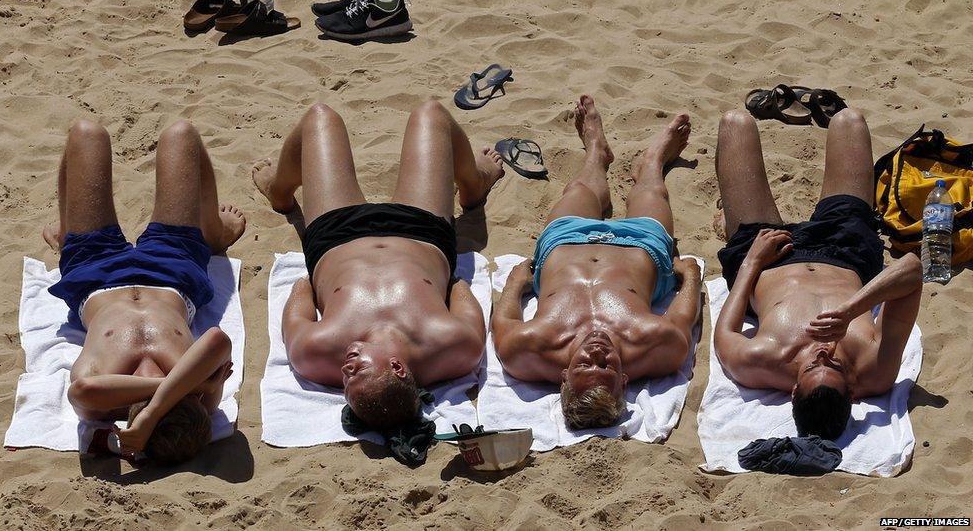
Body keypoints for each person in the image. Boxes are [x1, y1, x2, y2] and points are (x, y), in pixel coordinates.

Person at [252, 100, 503, 431]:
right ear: (398, 368)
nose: (345, 370)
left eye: (344, 383)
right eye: (358, 372)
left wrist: (333, 285)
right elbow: (460, 287)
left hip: (335, 235)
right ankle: (474, 183)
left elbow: (300, 289)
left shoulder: (315, 353)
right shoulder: (455, 345)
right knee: (431, 112)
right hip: (421, 232)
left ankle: (279, 190)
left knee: (320, 116)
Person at [491, 95, 703, 430]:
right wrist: (690, 277)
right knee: (651, 193)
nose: (596, 354)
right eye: (605, 367)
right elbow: (684, 318)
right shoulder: (655, 344)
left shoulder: (526, 350)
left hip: (566, 241)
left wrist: (514, 287)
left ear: (564, 376)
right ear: (624, 379)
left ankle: (596, 152)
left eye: (583, 367)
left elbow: (503, 322)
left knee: (582, 187)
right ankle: (652, 161)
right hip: (640, 245)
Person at [713, 108, 922, 441]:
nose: (823, 354)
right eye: (836, 366)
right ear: (852, 393)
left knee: (735, 123)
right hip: (844, 250)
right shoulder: (874, 369)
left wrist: (752, 261)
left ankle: (733, 224)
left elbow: (725, 330)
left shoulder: (759, 362)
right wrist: (850, 312)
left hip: (769, 259)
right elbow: (912, 269)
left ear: (794, 390)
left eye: (813, 366)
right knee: (849, 121)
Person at [44, 119, 246, 463]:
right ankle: (213, 231)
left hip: (94, 275)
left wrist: (163, 400)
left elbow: (81, 391)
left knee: (86, 132)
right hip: (175, 274)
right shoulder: (200, 397)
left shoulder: (107, 399)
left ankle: (67, 231)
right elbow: (217, 340)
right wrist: (190, 389)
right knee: (181, 133)